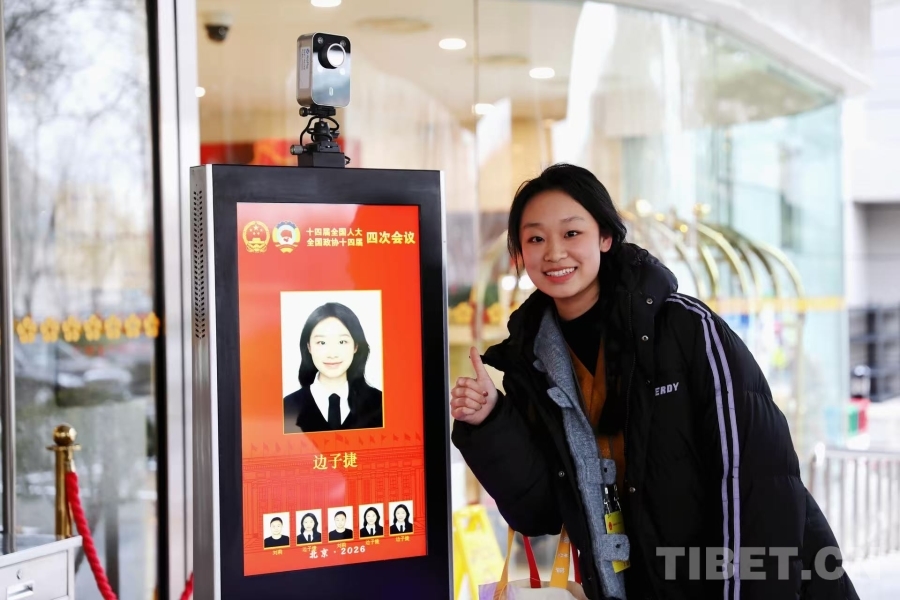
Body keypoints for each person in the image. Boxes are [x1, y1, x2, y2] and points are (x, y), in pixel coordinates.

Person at [450, 164, 857, 600]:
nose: (554, 252)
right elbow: (540, 512)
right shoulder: (532, 363)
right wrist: (491, 420)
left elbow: (754, 485)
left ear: (605, 237)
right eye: (535, 239)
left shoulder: (685, 329)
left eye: (571, 233)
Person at [284, 302, 383, 433]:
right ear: (309, 347)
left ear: (356, 346)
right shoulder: (287, 407)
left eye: (342, 342)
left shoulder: (380, 403)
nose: (332, 354)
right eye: (322, 342)